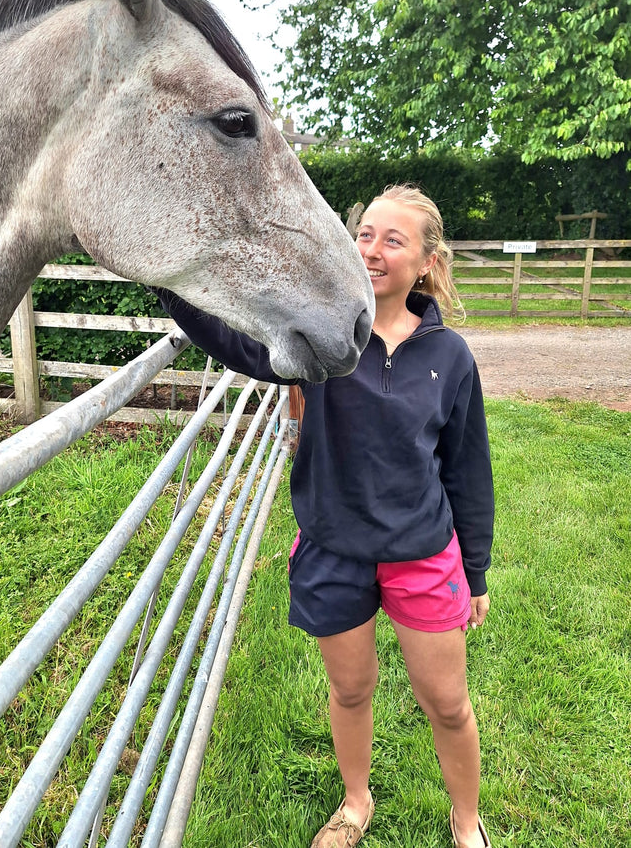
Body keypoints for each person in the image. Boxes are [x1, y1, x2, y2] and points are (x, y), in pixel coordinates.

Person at [155, 184, 494, 848]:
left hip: (422, 551)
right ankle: (355, 802)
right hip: (333, 548)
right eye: (364, 233)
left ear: (426, 261)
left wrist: (474, 568)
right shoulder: (325, 334)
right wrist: (167, 283)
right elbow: (238, 344)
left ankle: (465, 820)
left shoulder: (449, 357)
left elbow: (467, 468)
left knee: (448, 702)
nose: (371, 249)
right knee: (350, 691)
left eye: (392, 240)